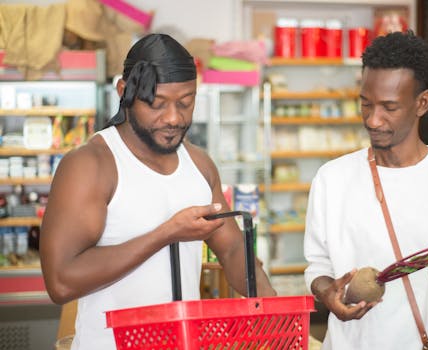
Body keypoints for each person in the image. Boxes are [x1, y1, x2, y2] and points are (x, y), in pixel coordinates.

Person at [40, 33, 276, 350]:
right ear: (124, 92)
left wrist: (276, 315)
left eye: (185, 103)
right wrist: (165, 233)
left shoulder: (199, 165)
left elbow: (234, 250)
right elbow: (61, 281)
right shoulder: (91, 165)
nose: (174, 118)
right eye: (157, 104)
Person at [303, 30, 428, 349]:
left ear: (422, 103)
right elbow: (318, 266)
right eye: (365, 104)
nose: (373, 119)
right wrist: (328, 292)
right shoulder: (332, 179)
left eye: (389, 107)